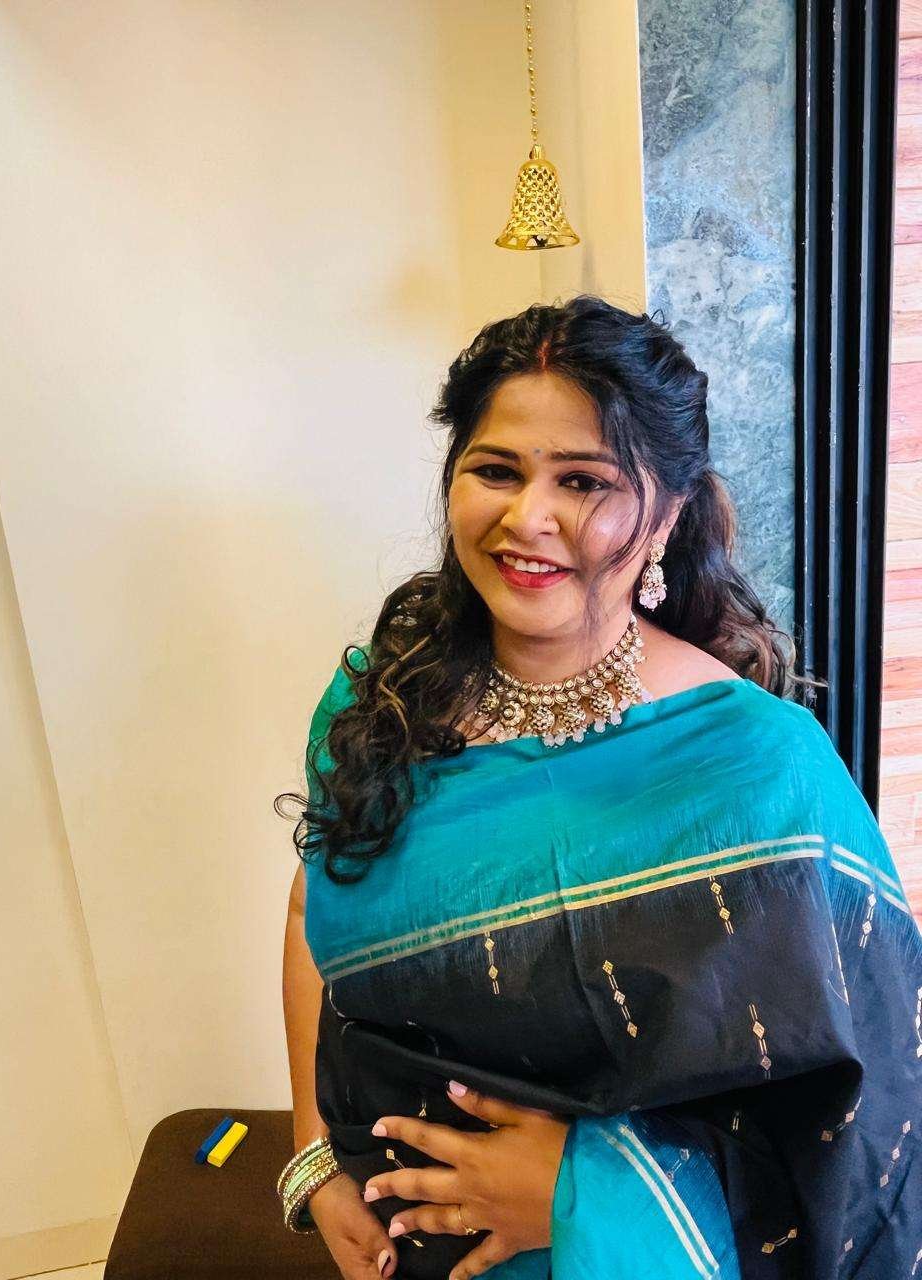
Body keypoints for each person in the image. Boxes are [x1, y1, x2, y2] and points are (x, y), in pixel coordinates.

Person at [277, 295, 922, 1280]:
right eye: (496, 470)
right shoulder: (379, 702)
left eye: (583, 481)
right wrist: (314, 1155)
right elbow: (310, 907)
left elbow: (861, 1116)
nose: (526, 518)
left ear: (666, 512)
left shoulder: (757, 765)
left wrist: (579, 1191)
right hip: (400, 1245)